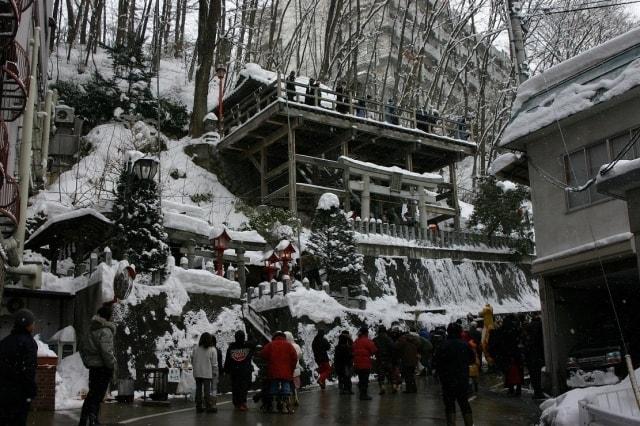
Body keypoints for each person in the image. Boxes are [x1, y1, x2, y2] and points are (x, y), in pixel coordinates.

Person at [79, 305, 117, 426]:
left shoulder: (90, 329)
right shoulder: (105, 331)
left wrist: (87, 362)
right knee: (97, 396)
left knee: (92, 394)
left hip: (93, 368)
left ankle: (84, 420)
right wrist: (111, 366)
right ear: (108, 317)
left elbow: (82, 348)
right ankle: (93, 420)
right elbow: (106, 351)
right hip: (103, 368)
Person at [0, 309, 37, 426]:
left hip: (4, 392)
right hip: (20, 393)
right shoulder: (29, 343)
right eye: (33, 323)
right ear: (27, 325)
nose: (34, 325)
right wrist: (31, 390)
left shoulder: (5, 342)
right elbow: (29, 370)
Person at [435, 322, 475, 426]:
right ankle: (469, 424)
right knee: (464, 403)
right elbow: (472, 360)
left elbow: (435, 362)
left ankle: (451, 423)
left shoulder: (443, 345)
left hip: (447, 379)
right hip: (462, 379)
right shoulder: (465, 345)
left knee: (449, 404)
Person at [259, 331, 298, 414]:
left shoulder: (270, 345)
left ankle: (274, 407)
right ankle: (285, 407)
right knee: (286, 386)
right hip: (286, 371)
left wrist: (269, 359)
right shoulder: (289, 345)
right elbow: (295, 357)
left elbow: (262, 354)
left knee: (273, 386)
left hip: (273, 370)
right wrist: (292, 367)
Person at [224, 330, 255, 411]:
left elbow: (228, 359)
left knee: (235, 387)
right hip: (245, 370)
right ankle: (242, 403)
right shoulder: (248, 346)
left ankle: (236, 403)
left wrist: (226, 369)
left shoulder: (231, 347)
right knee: (244, 387)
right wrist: (251, 335)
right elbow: (254, 343)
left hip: (235, 370)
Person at [192, 332, 218, 413]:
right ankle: (208, 406)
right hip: (207, 373)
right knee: (207, 391)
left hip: (197, 372)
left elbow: (192, 360)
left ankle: (198, 406)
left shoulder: (196, 348)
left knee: (198, 390)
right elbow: (214, 364)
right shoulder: (212, 349)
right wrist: (215, 373)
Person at [352, 326, 378, 400]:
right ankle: (363, 395)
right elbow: (374, 349)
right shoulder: (368, 341)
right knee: (365, 380)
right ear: (366, 333)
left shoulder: (356, 341)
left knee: (361, 378)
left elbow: (352, 349)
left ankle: (362, 393)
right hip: (365, 363)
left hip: (357, 363)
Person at [524, 315, 545, 399]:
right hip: (538, 354)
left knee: (533, 374)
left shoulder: (529, 327)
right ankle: (538, 392)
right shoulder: (541, 326)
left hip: (530, 355)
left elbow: (525, 341)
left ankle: (537, 391)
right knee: (537, 373)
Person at [374, 325, 396, 394]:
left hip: (380, 360)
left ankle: (382, 387)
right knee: (391, 373)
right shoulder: (388, 339)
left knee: (381, 375)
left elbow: (373, 349)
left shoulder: (375, 339)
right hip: (388, 359)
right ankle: (394, 385)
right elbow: (393, 347)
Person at [284, 331, 303, 404]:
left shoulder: (284, 346)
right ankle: (296, 397)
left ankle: (288, 398)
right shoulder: (296, 346)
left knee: (287, 384)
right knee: (295, 385)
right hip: (296, 368)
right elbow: (300, 355)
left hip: (287, 369)